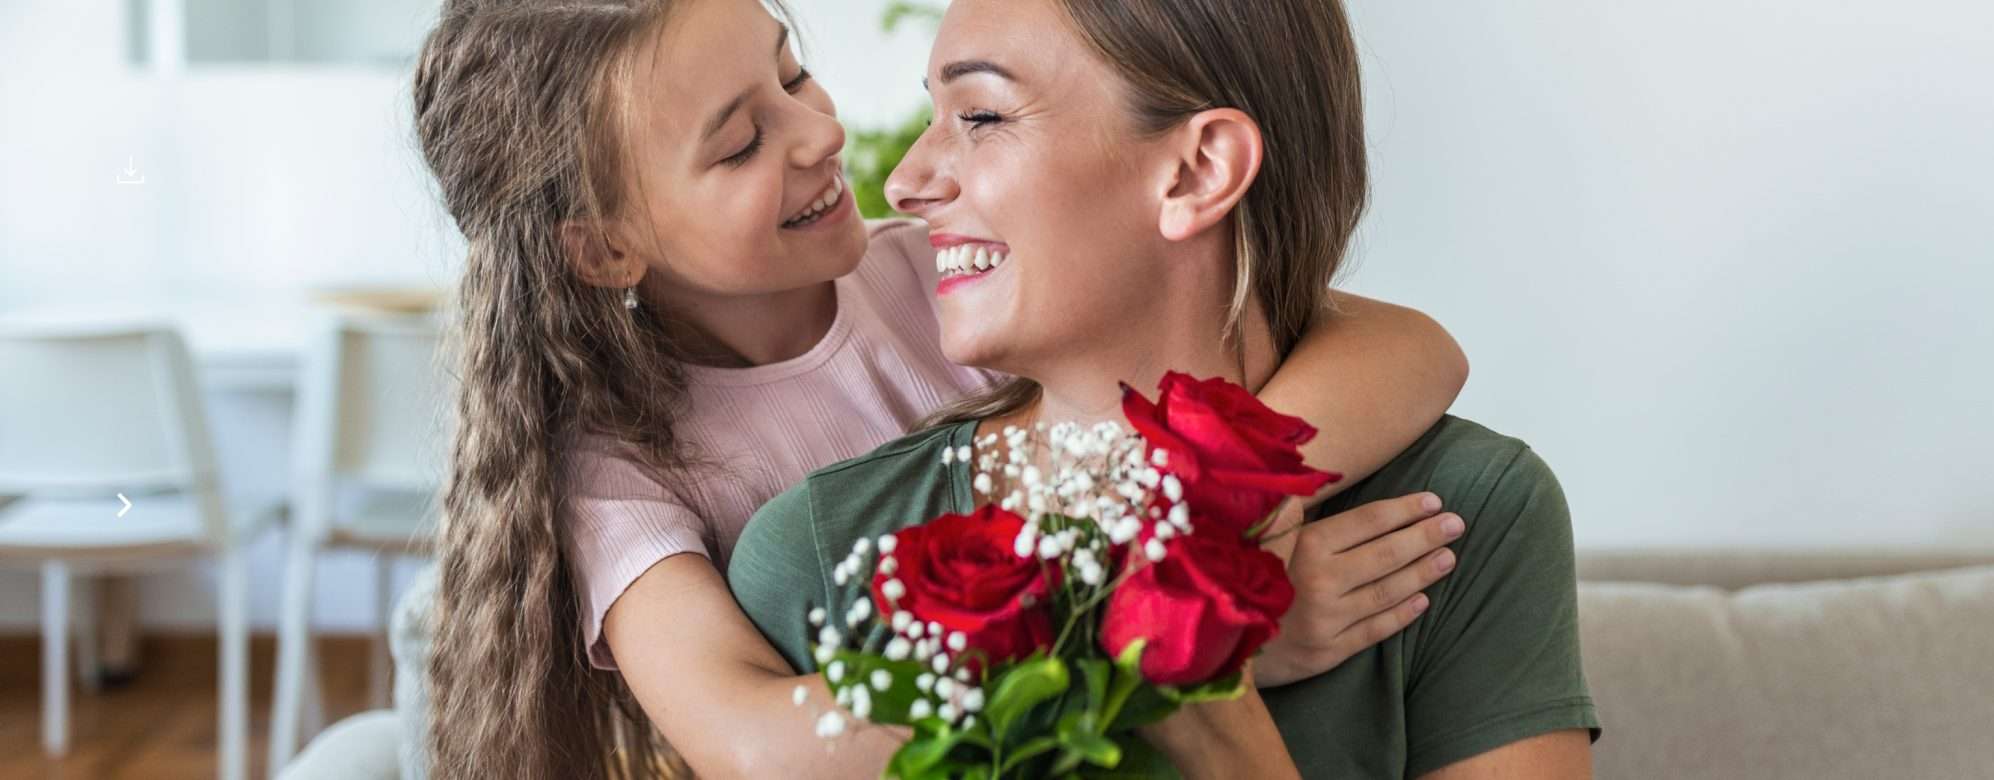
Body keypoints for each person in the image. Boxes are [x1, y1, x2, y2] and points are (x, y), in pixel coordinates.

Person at [409, 0, 1476, 776]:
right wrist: (1157, 653)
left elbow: (1411, 349)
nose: (820, 133)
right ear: (601, 249)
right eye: (739, 143)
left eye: (790, 76)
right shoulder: (617, 468)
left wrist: (1235, 519)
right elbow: (752, 740)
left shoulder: (943, 277)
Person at [728, 0, 1601, 777]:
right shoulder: (815, 555)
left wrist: (1213, 721)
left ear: (1196, 171)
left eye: (982, 115)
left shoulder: (1460, 517)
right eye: (934, 114)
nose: (907, 182)